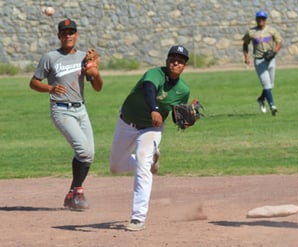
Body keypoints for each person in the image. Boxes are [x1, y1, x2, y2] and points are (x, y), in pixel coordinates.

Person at [110, 45, 191, 231]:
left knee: (142, 164)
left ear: (184, 65)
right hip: (126, 122)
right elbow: (148, 89)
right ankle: (151, 159)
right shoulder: (155, 74)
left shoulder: (183, 90)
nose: (175, 62)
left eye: (180, 60)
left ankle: (138, 217)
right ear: (167, 60)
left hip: (151, 129)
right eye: (172, 58)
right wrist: (154, 109)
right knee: (116, 167)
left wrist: (183, 123)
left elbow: (176, 113)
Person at [29, 18, 103, 210]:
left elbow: (97, 88)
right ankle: (77, 193)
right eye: (64, 33)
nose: (68, 35)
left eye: (71, 32)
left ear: (76, 35)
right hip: (61, 109)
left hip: (81, 109)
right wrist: (50, 88)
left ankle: (72, 194)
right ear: (59, 36)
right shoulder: (50, 57)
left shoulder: (83, 57)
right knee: (83, 151)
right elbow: (33, 83)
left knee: (89, 155)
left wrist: (95, 71)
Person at [242, 10, 282, 116]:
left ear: (266, 20)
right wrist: (246, 56)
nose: (261, 20)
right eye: (259, 18)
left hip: (270, 59)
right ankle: (272, 106)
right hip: (259, 60)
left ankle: (261, 99)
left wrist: (274, 51)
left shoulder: (271, 30)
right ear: (256, 19)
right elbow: (245, 44)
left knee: (270, 85)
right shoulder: (251, 32)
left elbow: (279, 42)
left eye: (263, 19)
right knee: (266, 83)